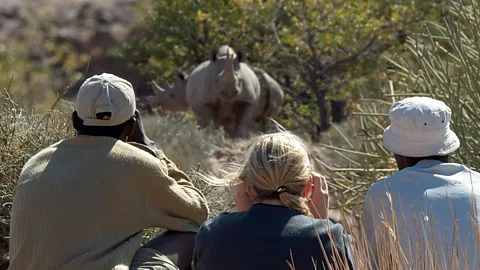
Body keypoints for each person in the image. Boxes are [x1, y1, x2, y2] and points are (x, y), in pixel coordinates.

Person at [8, 73, 209, 270]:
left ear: (75, 120)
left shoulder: (34, 163)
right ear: (132, 127)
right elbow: (198, 213)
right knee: (191, 233)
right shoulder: (137, 164)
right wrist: (154, 150)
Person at [192, 131, 354, 270]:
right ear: (308, 187)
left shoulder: (212, 233)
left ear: (247, 186)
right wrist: (321, 228)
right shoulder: (331, 239)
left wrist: (244, 217)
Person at [363, 97, 480, 269]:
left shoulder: (382, 194)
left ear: (399, 154)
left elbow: (370, 262)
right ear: (447, 146)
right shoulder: (477, 184)